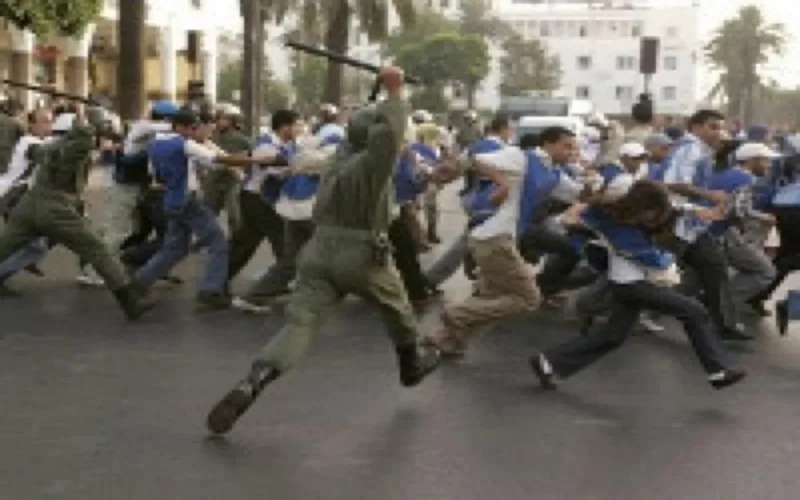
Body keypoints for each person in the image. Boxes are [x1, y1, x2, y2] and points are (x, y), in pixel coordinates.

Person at [206, 66, 441, 436]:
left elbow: (361, 136)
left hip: (319, 251)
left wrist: (375, 105)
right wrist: (395, 92)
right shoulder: (371, 166)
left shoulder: (336, 160)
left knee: (300, 324)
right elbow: (388, 137)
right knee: (397, 309)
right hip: (361, 251)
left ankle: (254, 380)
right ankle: (410, 366)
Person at [530, 180, 746, 391]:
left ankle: (548, 362)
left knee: (612, 337)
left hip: (632, 282)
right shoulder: (619, 229)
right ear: (643, 207)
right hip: (632, 284)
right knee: (693, 310)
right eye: (656, 211)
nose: (659, 216)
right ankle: (718, 371)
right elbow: (652, 259)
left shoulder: (627, 216)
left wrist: (705, 213)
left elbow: (677, 209)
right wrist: (676, 250)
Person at [0, 108, 153, 319]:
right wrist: (90, 127)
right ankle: (129, 299)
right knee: (97, 250)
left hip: (30, 204)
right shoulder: (74, 146)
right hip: (55, 208)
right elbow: (79, 144)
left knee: (4, 248)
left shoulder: (51, 146)